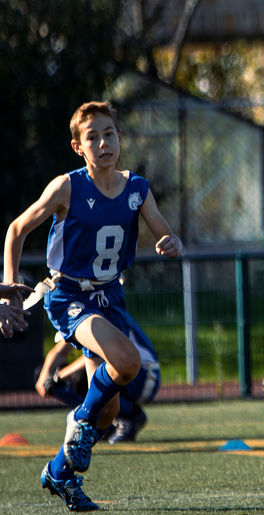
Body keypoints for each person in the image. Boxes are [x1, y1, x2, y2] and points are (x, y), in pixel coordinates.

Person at [3, 100, 183, 512]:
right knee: (128, 362)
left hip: (109, 296)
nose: (103, 142)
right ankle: (79, 422)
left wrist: (173, 242)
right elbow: (16, 229)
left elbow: (165, 231)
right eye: (92, 136)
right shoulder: (67, 186)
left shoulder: (137, 188)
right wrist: (10, 288)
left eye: (109, 133)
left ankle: (59, 471)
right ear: (77, 147)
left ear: (120, 138)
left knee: (108, 413)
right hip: (69, 295)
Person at [36, 310, 160, 444]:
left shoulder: (101, 306)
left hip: (144, 374)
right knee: (43, 375)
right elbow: (60, 352)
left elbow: (96, 357)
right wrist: (45, 374)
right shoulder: (80, 307)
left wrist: (59, 376)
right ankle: (104, 422)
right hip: (125, 370)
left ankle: (130, 416)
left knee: (81, 377)